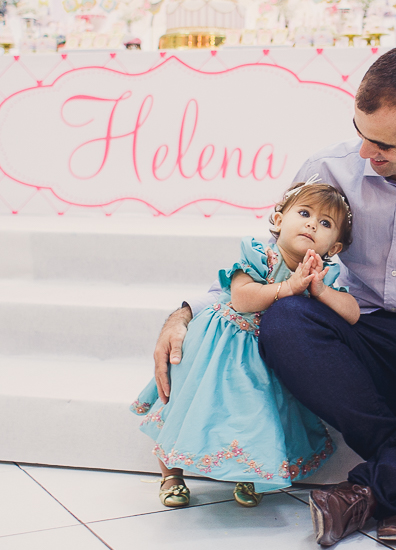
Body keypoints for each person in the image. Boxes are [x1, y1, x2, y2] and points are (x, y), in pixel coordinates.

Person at [153, 44, 396, 545]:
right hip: (358, 343)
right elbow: (268, 263)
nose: (365, 153)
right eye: (361, 133)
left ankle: (372, 488)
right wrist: (187, 311)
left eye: (384, 145)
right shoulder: (327, 168)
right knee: (287, 319)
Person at [132, 180, 359, 508]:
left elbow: (352, 314)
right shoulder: (259, 255)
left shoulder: (324, 274)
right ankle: (171, 475)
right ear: (279, 222)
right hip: (221, 342)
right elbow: (241, 297)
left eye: (325, 223)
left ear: (334, 247)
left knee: (253, 414)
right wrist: (291, 287)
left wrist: (321, 291)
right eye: (305, 213)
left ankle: (250, 474)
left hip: (265, 356)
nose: (312, 224)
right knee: (185, 404)